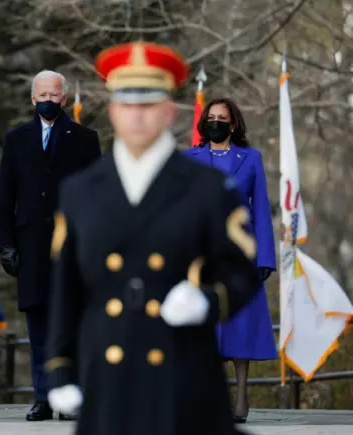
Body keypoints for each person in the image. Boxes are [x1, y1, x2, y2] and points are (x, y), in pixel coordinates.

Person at [45, 42, 259, 435]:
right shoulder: (81, 190)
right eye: (127, 104)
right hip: (106, 377)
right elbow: (66, 289)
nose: (137, 116)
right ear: (112, 111)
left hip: (184, 372)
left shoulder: (208, 188)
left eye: (148, 104)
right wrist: (60, 370)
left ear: (168, 112)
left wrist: (207, 301)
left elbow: (240, 272)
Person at [0, 70, 101, 421]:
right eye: (41, 94)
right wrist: (6, 244)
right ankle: (43, 395)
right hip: (31, 246)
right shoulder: (17, 139)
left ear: (64, 98)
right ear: (31, 98)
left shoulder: (85, 138)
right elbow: (5, 196)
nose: (47, 100)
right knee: (38, 323)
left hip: (73, 245)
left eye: (54, 94)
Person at [182, 97, 277, 423]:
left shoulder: (250, 158)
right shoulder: (188, 158)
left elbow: (262, 210)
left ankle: (240, 396)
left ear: (233, 123)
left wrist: (265, 256)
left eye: (222, 118)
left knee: (240, 326)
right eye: (211, 117)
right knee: (203, 326)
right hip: (200, 256)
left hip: (240, 255)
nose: (216, 122)